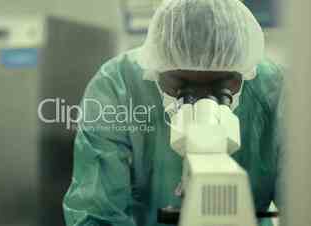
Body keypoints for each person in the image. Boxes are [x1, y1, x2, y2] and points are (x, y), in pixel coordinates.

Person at [63, 0, 283, 226]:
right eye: (182, 85)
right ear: (156, 70)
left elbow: (302, 201)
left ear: (245, 73)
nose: (201, 100)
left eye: (221, 85)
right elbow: (96, 212)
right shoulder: (118, 87)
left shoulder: (274, 92)